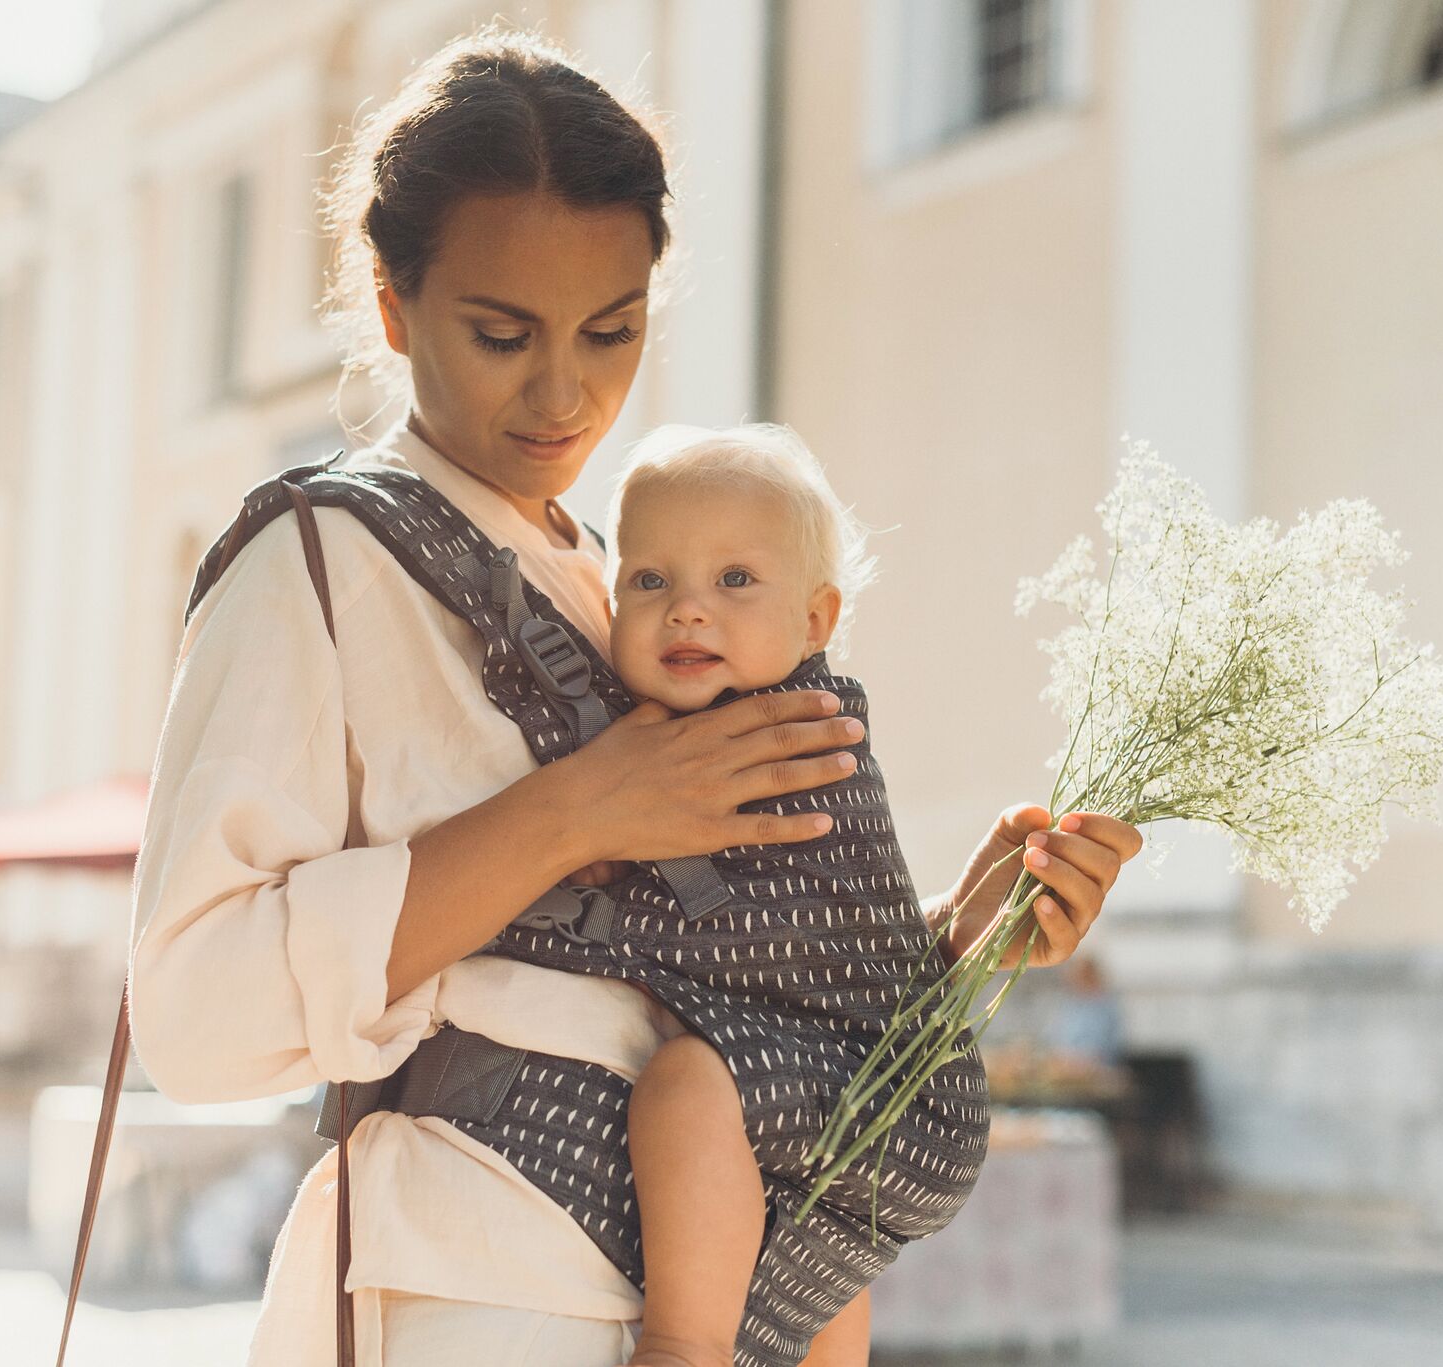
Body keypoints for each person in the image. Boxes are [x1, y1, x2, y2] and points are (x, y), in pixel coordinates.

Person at [127, 29, 1142, 1367]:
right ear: (390, 300)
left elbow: (683, 961)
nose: (563, 393)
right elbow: (196, 1012)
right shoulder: (315, 564)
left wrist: (963, 936)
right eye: (501, 334)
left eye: (611, 331)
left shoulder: (622, 585)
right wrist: (574, 808)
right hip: (481, 1279)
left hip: (716, 1289)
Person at [595, 422, 986, 1367]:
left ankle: (683, 1346)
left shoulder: (802, 740)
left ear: (815, 621)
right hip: (852, 1127)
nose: (687, 610)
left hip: (887, 1095)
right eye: (650, 580)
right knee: (813, 1243)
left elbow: (823, 925)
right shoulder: (686, 737)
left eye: (735, 580)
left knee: (686, 1084)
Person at [1045, 955, 1124, 1071]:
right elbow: (1055, 1039)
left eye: (1083, 975)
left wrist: (1085, 1060)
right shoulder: (1069, 1005)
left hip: (1098, 1071)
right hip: (1067, 1069)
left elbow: (1111, 1045)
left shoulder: (1107, 1006)